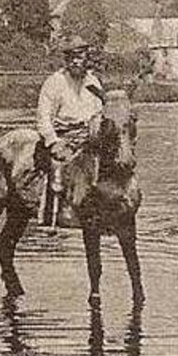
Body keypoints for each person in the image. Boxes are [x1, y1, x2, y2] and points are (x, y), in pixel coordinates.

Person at [36, 34, 106, 227]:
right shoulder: (55, 82)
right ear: (66, 60)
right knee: (58, 168)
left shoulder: (93, 83)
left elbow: (100, 112)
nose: (76, 62)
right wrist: (53, 142)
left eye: (80, 57)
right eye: (71, 58)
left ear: (86, 59)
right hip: (63, 137)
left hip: (88, 137)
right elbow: (43, 118)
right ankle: (50, 216)